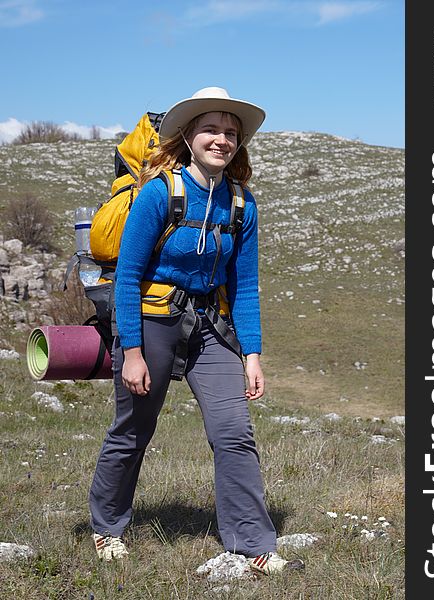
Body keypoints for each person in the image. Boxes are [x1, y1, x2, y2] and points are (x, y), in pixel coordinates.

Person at [88, 87, 304, 575]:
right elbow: (127, 274)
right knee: (133, 430)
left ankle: (252, 542)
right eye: (211, 129)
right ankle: (107, 528)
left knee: (234, 435)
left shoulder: (242, 205)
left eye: (230, 133)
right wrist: (135, 351)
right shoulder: (159, 192)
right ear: (188, 136)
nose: (221, 140)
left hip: (211, 327)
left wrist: (252, 354)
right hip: (152, 321)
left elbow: (244, 286)